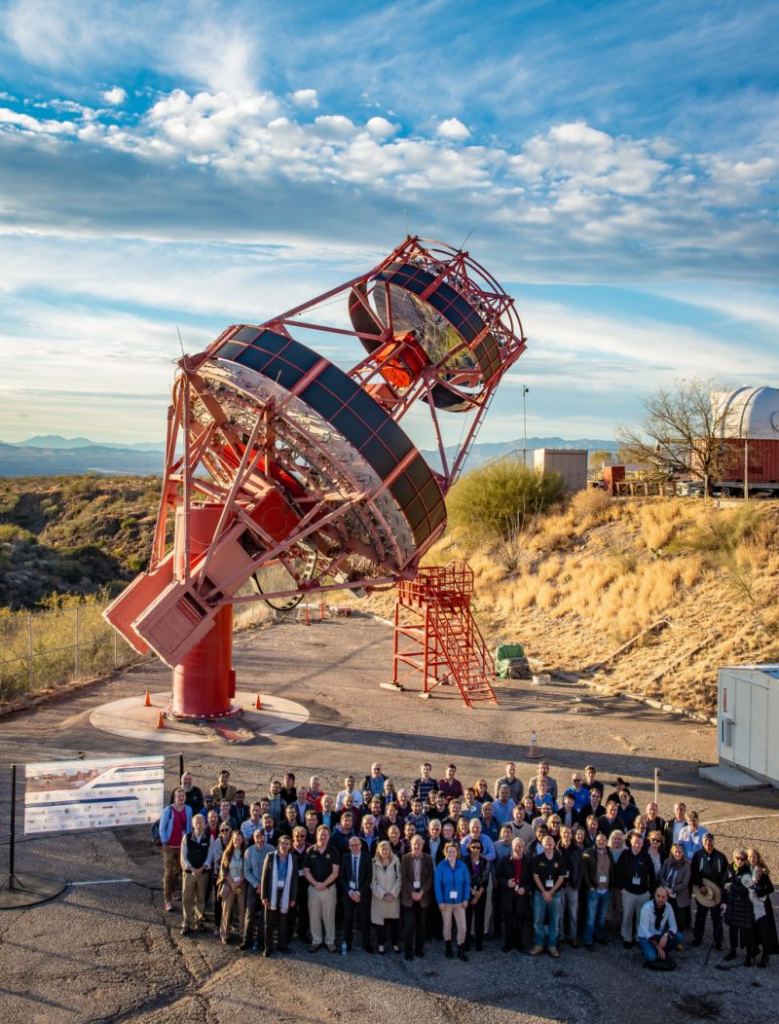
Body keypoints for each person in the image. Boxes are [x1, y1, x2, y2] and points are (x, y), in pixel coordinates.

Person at [303, 825, 340, 952]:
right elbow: (306, 871)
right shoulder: (310, 851)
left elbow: (335, 872)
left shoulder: (333, 851)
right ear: (317, 835)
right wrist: (315, 884)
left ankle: (330, 941)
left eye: (326, 834)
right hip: (313, 889)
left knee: (329, 916)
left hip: (329, 889)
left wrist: (323, 885)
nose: (323, 836)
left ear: (329, 837)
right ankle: (316, 941)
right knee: (314, 916)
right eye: (321, 834)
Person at [261, 833, 297, 957]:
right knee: (269, 922)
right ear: (278, 844)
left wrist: (292, 897)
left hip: (285, 892)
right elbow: (264, 877)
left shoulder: (293, 859)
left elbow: (294, 880)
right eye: (282, 843)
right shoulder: (270, 857)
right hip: (272, 892)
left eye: (287, 844)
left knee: (283, 921)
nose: (284, 846)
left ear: (290, 846)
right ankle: (268, 947)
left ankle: (282, 945)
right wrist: (264, 896)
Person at [617, 832, 655, 947]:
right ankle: (626, 937)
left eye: (639, 842)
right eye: (635, 842)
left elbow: (652, 875)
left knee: (640, 916)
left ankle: (639, 938)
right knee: (627, 916)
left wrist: (650, 891)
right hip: (628, 891)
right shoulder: (625, 854)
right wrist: (621, 888)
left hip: (643, 893)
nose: (637, 845)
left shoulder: (646, 856)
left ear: (642, 843)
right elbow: (617, 872)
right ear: (631, 842)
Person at [690, 831, 728, 949]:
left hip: (716, 891)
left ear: (713, 842)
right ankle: (697, 937)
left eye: (710, 841)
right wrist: (700, 885)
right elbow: (694, 872)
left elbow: (725, 875)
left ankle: (718, 941)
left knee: (716, 916)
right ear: (703, 842)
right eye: (706, 840)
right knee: (700, 915)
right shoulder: (698, 855)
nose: (708, 843)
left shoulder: (721, 857)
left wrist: (720, 889)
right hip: (703, 890)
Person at [531, 834, 566, 957]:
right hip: (539, 894)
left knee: (554, 921)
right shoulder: (537, 859)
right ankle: (538, 945)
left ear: (553, 845)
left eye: (551, 843)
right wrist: (544, 892)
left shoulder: (559, 858)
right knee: (538, 920)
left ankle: (552, 945)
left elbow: (561, 877)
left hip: (555, 894)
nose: (549, 846)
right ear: (543, 845)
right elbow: (535, 877)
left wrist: (550, 892)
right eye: (546, 843)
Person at [400, 834, 434, 960]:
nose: (417, 846)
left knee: (421, 925)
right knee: (409, 926)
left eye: (419, 844)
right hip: (409, 897)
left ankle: (419, 950)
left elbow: (430, 878)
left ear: (423, 845)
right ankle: (408, 952)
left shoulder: (428, 859)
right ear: (411, 845)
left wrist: (422, 892)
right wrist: (412, 892)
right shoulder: (405, 858)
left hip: (423, 898)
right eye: (415, 843)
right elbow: (403, 879)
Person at [434, 842, 470, 961]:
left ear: (457, 852)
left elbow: (466, 883)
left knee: (462, 927)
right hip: (446, 902)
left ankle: (460, 948)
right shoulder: (441, 866)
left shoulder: (462, 866)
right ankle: (448, 947)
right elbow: (437, 885)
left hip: (460, 902)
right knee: (447, 926)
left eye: (453, 851)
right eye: (449, 851)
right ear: (446, 852)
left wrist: (466, 898)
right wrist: (440, 901)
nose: (451, 853)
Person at [160, 788, 193, 913]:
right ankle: (167, 900)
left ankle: (174, 891)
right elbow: (162, 828)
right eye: (178, 796)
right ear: (174, 797)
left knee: (179, 870)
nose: (181, 798)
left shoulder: (188, 809)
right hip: (169, 846)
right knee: (168, 873)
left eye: (183, 796)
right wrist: (164, 842)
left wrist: (188, 842)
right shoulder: (168, 810)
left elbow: (189, 826)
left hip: (182, 845)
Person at [241, 828, 274, 951]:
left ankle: (259, 941)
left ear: (265, 837)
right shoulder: (249, 851)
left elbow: (273, 870)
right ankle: (246, 940)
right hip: (253, 886)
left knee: (263, 916)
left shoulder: (271, 849)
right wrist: (257, 884)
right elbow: (246, 871)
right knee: (249, 914)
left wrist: (264, 885)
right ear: (253, 838)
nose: (260, 839)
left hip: (267, 887)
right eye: (257, 837)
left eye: (262, 836)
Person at [498, 836, 532, 952]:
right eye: (517, 846)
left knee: (520, 922)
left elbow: (532, 881)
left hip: (521, 896)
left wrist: (525, 889)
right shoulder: (504, 860)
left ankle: (519, 944)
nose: (519, 848)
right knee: (508, 922)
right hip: (508, 896)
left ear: (524, 848)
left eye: (521, 846)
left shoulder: (528, 861)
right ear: (512, 847)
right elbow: (498, 877)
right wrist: (506, 882)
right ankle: (508, 943)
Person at [340, 835, 373, 953]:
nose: (355, 847)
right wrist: (350, 891)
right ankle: (347, 943)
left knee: (364, 919)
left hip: (362, 894)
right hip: (349, 894)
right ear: (349, 847)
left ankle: (367, 944)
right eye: (352, 845)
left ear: (361, 845)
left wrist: (359, 892)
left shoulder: (366, 857)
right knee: (348, 920)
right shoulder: (345, 857)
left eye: (357, 845)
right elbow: (342, 878)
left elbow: (369, 879)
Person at [723, 848, 756, 964]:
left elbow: (745, 889)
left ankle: (749, 955)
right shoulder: (729, 868)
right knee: (732, 929)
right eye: (738, 858)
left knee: (746, 931)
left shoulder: (748, 871)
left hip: (744, 906)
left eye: (743, 859)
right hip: (732, 904)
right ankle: (732, 951)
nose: (740, 861)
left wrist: (732, 886)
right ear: (734, 858)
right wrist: (724, 901)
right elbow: (724, 883)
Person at [637, 886, 683, 969]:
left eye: (663, 897)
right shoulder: (646, 908)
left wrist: (666, 935)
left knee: (679, 937)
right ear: (654, 895)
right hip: (646, 936)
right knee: (651, 957)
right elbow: (645, 931)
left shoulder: (668, 907)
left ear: (667, 898)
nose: (660, 899)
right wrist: (658, 947)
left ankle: (661, 951)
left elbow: (674, 926)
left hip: (659, 934)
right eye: (658, 896)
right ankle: (655, 950)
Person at [180, 813, 210, 936]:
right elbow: (183, 856)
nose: (198, 824)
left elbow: (210, 856)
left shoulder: (209, 838)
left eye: (201, 822)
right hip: (189, 873)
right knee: (187, 898)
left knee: (201, 898)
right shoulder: (186, 838)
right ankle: (186, 923)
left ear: (204, 824)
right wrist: (192, 869)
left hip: (203, 874)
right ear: (193, 824)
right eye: (196, 822)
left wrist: (202, 868)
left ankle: (199, 921)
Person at [747, 848, 778, 967]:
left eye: (754, 857)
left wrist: (759, 891)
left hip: (763, 906)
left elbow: (770, 888)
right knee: (752, 929)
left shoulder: (762, 872)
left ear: (757, 858)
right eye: (750, 857)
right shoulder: (746, 871)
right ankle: (753, 951)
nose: (752, 859)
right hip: (751, 905)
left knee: (765, 931)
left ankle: (766, 955)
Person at [582, 832, 613, 950]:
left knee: (601, 916)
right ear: (595, 841)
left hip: (606, 890)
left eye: (604, 840)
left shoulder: (609, 853)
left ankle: (598, 935)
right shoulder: (589, 853)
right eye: (599, 840)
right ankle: (588, 940)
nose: (601, 842)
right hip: (594, 889)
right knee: (591, 916)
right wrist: (589, 885)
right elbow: (584, 871)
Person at [371, 839, 401, 953]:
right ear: (378, 850)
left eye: (387, 848)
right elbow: (372, 882)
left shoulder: (396, 861)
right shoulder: (373, 863)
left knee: (394, 923)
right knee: (380, 924)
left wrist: (393, 894)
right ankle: (381, 944)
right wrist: (383, 895)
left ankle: (395, 943)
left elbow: (400, 879)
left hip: (393, 897)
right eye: (382, 848)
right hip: (379, 898)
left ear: (390, 850)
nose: (384, 850)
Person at [218, 830, 247, 944]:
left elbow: (247, 868)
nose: (237, 841)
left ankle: (242, 933)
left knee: (242, 909)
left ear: (242, 840)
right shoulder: (227, 852)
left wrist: (240, 880)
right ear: (232, 839)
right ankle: (224, 934)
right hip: (229, 884)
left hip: (241, 883)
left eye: (239, 839)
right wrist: (232, 883)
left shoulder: (245, 852)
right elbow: (224, 870)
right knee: (226, 909)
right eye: (235, 839)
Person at [557, 824, 583, 947]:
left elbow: (581, 868)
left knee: (573, 913)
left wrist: (577, 883)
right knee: (560, 913)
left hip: (572, 885)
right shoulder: (556, 848)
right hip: (559, 886)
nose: (566, 835)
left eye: (569, 833)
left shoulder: (577, 849)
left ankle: (573, 936)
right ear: (560, 834)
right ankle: (561, 936)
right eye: (564, 833)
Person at [463, 840, 489, 952]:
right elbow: (463, 878)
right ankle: (466, 942)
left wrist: (478, 894)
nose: (476, 849)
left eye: (478, 847)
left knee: (480, 918)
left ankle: (479, 943)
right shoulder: (464, 860)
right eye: (473, 847)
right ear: (469, 848)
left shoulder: (485, 861)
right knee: (467, 919)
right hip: (467, 892)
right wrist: (471, 892)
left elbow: (486, 879)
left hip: (481, 892)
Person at [660, 843, 692, 932]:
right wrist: (666, 887)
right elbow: (661, 876)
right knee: (665, 916)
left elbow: (685, 883)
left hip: (679, 896)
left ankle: (677, 939)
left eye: (680, 852)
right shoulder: (667, 862)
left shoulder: (686, 865)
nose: (677, 854)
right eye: (676, 852)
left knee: (678, 920)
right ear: (672, 852)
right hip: (666, 894)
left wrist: (672, 889)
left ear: (683, 853)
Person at [207, 821, 232, 935]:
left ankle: (228, 924)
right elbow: (216, 860)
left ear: (230, 830)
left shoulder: (233, 841)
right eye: (222, 830)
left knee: (230, 901)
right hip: (219, 875)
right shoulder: (217, 843)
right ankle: (217, 925)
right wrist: (227, 855)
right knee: (218, 900)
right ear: (220, 832)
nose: (225, 832)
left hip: (232, 875)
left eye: (227, 829)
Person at [289, 826, 310, 942]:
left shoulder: (310, 848)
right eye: (297, 836)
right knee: (291, 909)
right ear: (293, 837)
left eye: (302, 836)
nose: (299, 838)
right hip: (292, 884)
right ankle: (289, 932)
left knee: (304, 910)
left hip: (305, 884)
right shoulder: (289, 849)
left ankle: (302, 933)